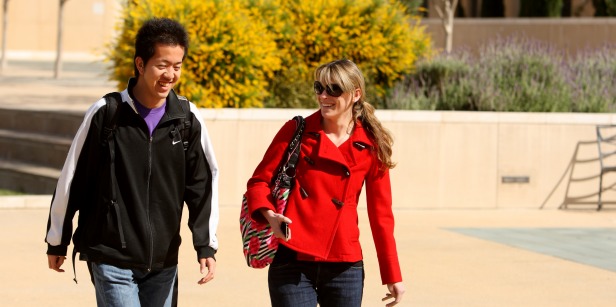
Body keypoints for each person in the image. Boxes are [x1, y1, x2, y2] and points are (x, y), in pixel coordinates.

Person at [45, 17, 219, 306]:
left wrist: (206, 245)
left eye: (177, 66)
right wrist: (57, 239)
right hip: (111, 255)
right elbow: (73, 177)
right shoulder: (106, 114)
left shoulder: (187, 119)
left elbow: (203, 184)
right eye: (162, 65)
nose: (170, 75)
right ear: (140, 64)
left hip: (164, 261)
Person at [245, 59, 405, 307]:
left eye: (334, 89)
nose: (323, 96)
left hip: (345, 265)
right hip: (293, 258)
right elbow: (258, 183)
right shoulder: (296, 130)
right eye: (319, 88)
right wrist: (269, 215)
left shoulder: (372, 144)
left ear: (355, 94)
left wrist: (392, 274)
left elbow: (381, 215)